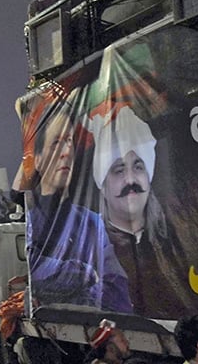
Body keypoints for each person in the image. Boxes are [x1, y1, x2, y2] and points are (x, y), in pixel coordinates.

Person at [27, 103, 132, 312]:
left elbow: (118, 290)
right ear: (38, 160)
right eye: (56, 143)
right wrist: (86, 274)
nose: (66, 151)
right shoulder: (31, 224)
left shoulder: (93, 223)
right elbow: (36, 274)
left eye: (69, 141)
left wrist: (76, 296)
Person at [91, 106, 181, 317]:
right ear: (103, 187)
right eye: (119, 170)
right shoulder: (93, 248)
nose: (130, 180)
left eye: (138, 167)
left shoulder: (175, 237)